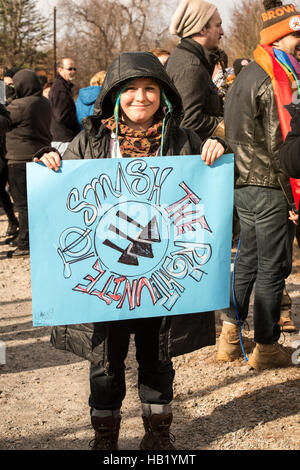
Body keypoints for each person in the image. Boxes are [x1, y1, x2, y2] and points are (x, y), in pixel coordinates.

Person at [34, 51, 226, 451]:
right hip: (104, 280)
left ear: (164, 95)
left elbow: (211, 206)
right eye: (131, 90)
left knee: (158, 358)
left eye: (150, 89)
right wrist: (49, 161)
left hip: (162, 277)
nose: (141, 97)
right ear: (115, 95)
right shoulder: (90, 141)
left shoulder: (184, 141)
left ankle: (157, 436)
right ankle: (105, 437)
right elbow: (61, 201)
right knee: (105, 360)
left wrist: (218, 151)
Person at [219, 0, 300, 369]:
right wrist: (293, 200)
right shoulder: (276, 78)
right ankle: (267, 347)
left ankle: (228, 338)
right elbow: (281, 145)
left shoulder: (248, 72)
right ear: (279, 35)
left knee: (248, 261)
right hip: (269, 187)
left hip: (243, 184)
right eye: (296, 34)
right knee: (273, 266)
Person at [5, 69, 52, 257]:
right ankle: (25, 237)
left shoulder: (20, 105)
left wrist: (7, 96)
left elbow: (4, 117)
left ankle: (25, 242)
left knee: (23, 204)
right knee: (33, 203)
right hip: (39, 156)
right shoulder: (44, 102)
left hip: (19, 159)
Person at [165, 0, 224, 140]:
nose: (222, 32)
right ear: (202, 29)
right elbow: (189, 122)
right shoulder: (190, 67)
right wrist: (226, 126)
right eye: (218, 25)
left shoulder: (190, 59)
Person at [48, 57, 81, 156]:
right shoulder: (59, 89)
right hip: (62, 140)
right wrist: (76, 124)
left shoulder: (64, 87)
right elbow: (61, 115)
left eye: (74, 69)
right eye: (69, 69)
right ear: (60, 70)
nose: (73, 72)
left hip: (64, 138)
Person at [0, 103, 18, 240]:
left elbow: (6, 123)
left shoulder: (2, 109)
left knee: (1, 191)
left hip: (2, 155)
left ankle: (12, 221)